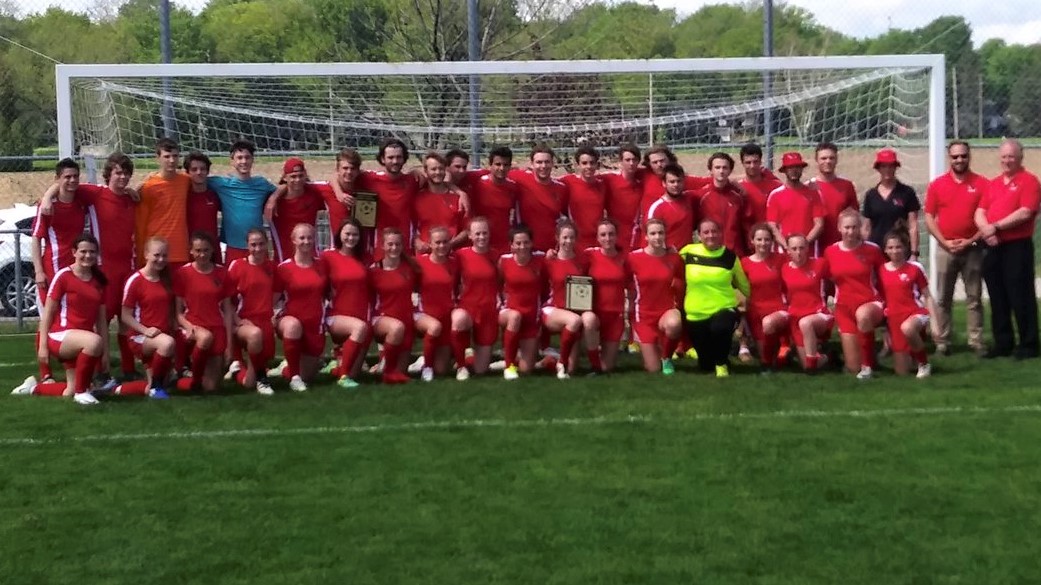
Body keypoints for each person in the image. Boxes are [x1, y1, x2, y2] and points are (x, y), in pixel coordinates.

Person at [11, 235, 108, 405]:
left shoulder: (99, 280)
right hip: (61, 337)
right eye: (83, 251)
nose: (88, 255)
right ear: (74, 252)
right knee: (94, 342)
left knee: (68, 391)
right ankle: (81, 392)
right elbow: (48, 312)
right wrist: (42, 347)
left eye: (92, 252)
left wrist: (105, 353)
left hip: (82, 341)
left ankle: (33, 388)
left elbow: (101, 321)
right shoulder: (64, 275)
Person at [975, 139, 1040, 360]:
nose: (1007, 160)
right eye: (1004, 156)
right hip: (992, 246)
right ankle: (1003, 343)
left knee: (1020, 295)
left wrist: (996, 227)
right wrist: (986, 230)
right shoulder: (993, 184)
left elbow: (1026, 212)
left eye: (1011, 156)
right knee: (997, 296)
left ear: (1020, 157)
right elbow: (980, 211)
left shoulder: (1029, 181)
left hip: (1017, 246)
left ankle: (1028, 344)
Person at [923, 140, 988, 356]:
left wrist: (971, 240)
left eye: (963, 156)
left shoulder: (982, 184)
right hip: (946, 247)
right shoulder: (937, 185)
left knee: (974, 297)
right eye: (955, 156)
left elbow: (987, 217)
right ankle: (943, 341)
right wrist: (943, 242)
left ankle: (976, 341)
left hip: (973, 248)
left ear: (969, 156)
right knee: (943, 297)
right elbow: (929, 217)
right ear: (948, 158)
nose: (959, 160)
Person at [31, 159, 88, 383]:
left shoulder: (81, 202)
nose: (72, 180)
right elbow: (36, 239)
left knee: (69, 320)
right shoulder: (47, 207)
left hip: (75, 270)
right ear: (58, 179)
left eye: (75, 176)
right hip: (52, 270)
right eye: (67, 177)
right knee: (47, 317)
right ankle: (45, 373)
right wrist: (38, 271)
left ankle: (72, 366)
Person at [678, 219, 750, 378]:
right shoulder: (688, 252)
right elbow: (669, 263)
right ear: (698, 235)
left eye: (714, 231)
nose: (710, 235)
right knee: (705, 365)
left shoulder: (730, 257)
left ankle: (722, 365)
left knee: (721, 328)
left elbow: (744, 285)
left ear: (720, 234)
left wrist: (752, 303)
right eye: (706, 232)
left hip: (723, 307)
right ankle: (715, 360)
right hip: (695, 312)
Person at [823, 210, 885, 379]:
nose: (850, 232)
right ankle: (853, 360)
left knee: (863, 315)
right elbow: (827, 278)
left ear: (860, 228)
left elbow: (884, 278)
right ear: (839, 228)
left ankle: (868, 367)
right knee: (852, 367)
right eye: (847, 227)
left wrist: (889, 304)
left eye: (854, 227)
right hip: (844, 307)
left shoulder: (873, 250)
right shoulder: (830, 251)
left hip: (870, 302)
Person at [173, 232, 232, 392]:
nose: (202, 254)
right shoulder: (182, 273)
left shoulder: (222, 273)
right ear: (191, 251)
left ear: (213, 250)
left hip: (216, 326)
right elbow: (177, 312)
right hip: (194, 327)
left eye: (206, 250)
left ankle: (184, 381)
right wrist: (188, 326)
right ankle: (194, 380)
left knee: (212, 387)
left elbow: (227, 311)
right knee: (205, 338)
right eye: (198, 250)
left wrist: (229, 344)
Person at [272, 223, 327, 391]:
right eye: (302, 238)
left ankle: (287, 370)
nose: (306, 241)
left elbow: (328, 293)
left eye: (310, 237)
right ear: (293, 240)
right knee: (293, 326)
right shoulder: (284, 268)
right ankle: (294, 378)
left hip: (314, 322)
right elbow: (272, 299)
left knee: (308, 376)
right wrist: (269, 318)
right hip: (290, 319)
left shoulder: (322, 265)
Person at [120, 237, 178, 398]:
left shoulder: (166, 279)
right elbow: (125, 316)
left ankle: (117, 389)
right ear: (146, 254)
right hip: (141, 337)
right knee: (167, 344)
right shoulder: (135, 280)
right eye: (157, 255)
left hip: (162, 336)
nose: (161, 259)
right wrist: (145, 330)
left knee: (163, 382)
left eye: (164, 256)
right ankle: (156, 388)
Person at [627, 218, 684, 374]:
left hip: (666, 311)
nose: (657, 237)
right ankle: (653, 350)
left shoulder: (674, 258)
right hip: (644, 315)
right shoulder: (633, 258)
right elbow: (624, 280)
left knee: (674, 324)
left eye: (660, 233)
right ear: (646, 236)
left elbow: (681, 281)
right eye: (653, 233)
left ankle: (667, 358)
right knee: (652, 368)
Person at [207, 140, 278, 263]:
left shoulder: (261, 183)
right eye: (239, 158)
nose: (244, 161)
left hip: (258, 246)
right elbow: (196, 178)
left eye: (247, 157)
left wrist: (273, 198)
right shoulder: (221, 184)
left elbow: (284, 187)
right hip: (233, 246)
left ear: (252, 160)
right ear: (232, 161)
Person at [224, 228, 277, 395]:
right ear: (247, 245)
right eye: (253, 244)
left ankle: (237, 372)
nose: (258, 248)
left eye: (261, 244)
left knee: (248, 383)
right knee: (255, 335)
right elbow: (227, 300)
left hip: (265, 322)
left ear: (266, 244)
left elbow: (276, 295)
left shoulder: (272, 267)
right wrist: (237, 321)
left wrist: (273, 314)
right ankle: (263, 380)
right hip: (244, 323)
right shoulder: (238, 266)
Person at [320, 218, 371, 389]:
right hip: (336, 315)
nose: (351, 238)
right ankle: (342, 376)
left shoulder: (364, 259)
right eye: (347, 234)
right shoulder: (328, 256)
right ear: (340, 234)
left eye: (355, 234)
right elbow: (317, 281)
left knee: (355, 372)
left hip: (360, 315)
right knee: (359, 328)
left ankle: (337, 367)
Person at [879, 229, 936, 377]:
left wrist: (934, 322)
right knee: (902, 372)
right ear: (885, 249)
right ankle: (913, 357)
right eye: (890, 247)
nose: (895, 251)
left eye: (898, 247)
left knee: (908, 328)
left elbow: (927, 296)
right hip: (894, 318)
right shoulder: (881, 270)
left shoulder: (915, 268)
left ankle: (924, 364)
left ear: (905, 248)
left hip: (914, 313)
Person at [541, 220, 590, 379]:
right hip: (553, 308)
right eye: (564, 237)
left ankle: (548, 361)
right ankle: (561, 362)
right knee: (574, 321)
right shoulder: (549, 260)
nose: (568, 241)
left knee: (573, 369)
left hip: (573, 310)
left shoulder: (582, 260)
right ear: (557, 238)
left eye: (571, 237)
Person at [368, 228, 416, 385]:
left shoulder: (410, 268)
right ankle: (386, 371)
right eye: (390, 244)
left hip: (406, 320)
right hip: (382, 319)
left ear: (402, 246)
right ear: (382, 245)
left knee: (402, 371)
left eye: (397, 244)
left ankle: (385, 365)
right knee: (396, 328)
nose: (394, 248)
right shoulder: (374, 270)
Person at [498, 225, 546, 380]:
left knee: (527, 370)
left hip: (531, 316)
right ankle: (509, 367)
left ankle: (548, 361)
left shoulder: (541, 259)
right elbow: (498, 283)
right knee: (515, 317)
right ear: (511, 245)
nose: (522, 246)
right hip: (509, 312)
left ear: (531, 243)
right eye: (518, 243)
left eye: (526, 242)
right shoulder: (504, 261)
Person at [453, 217, 499, 379]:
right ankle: (461, 366)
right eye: (477, 233)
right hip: (467, 307)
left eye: (484, 233)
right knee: (458, 320)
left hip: (488, 310)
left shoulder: (495, 255)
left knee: (481, 370)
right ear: (470, 236)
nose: (481, 237)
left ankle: (471, 356)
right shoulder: (460, 255)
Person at [782, 234, 835, 373]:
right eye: (794, 248)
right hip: (796, 316)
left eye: (801, 248)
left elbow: (838, 280)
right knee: (805, 363)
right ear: (788, 250)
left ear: (807, 249)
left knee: (806, 323)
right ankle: (828, 357)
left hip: (819, 314)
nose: (798, 252)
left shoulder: (820, 264)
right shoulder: (784, 269)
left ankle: (812, 368)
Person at [740, 224, 789, 373]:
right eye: (759, 239)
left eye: (767, 239)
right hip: (755, 312)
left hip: (779, 309)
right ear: (752, 241)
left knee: (777, 357)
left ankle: (780, 350)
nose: (763, 243)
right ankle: (772, 356)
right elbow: (741, 291)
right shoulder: (745, 263)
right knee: (767, 355)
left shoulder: (781, 259)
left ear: (772, 241)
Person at [583, 218, 630, 374]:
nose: (607, 238)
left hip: (615, 316)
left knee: (608, 367)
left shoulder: (624, 258)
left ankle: (598, 364)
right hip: (594, 314)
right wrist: (553, 253)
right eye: (603, 235)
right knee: (588, 321)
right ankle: (593, 365)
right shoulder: (589, 255)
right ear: (597, 237)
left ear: (616, 236)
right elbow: (567, 258)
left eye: (611, 234)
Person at [414, 226, 460, 381]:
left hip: (446, 316)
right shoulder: (419, 262)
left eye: (445, 242)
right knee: (434, 327)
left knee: (441, 370)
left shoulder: (455, 263)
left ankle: (425, 360)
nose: (442, 246)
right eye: (437, 242)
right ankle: (426, 367)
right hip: (424, 314)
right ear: (430, 244)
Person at [136, 139, 191, 266]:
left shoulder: (186, 181)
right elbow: (141, 223)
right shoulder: (148, 187)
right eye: (167, 156)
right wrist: (141, 255)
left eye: (175, 156)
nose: (171, 160)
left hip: (180, 251)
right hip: (156, 252)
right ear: (157, 158)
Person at [509, 145, 568, 252]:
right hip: (525, 249)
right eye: (539, 162)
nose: (543, 166)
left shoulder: (561, 188)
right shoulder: (519, 178)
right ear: (532, 164)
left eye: (547, 162)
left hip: (551, 249)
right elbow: (494, 174)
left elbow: (565, 215)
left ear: (552, 163)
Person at [266, 158, 325, 262]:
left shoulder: (314, 193)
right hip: (283, 259)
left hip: (311, 259)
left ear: (305, 174)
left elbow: (335, 182)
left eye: (300, 176)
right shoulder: (273, 200)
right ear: (285, 177)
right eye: (293, 176)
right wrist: (273, 197)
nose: (297, 180)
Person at [862, 148, 921, 250]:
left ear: (895, 167)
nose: (887, 170)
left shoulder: (907, 192)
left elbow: (913, 225)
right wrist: (864, 250)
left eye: (891, 166)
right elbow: (867, 228)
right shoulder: (871, 195)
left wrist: (914, 252)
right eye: (883, 166)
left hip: (900, 250)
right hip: (876, 249)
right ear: (878, 168)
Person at [767, 152, 824, 252]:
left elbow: (819, 224)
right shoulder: (775, 195)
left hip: (808, 250)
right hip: (783, 251)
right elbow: (772, 226)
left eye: (797, 167)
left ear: (802, 168)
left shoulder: (813, 193)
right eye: (790, 167)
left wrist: (803, 244)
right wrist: (787, 246)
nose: (794, 170)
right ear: (784, 170)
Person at [698, 152, 752, 255]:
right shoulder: (701, 196)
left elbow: (746, 226)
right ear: (711, 170)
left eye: (725, 168)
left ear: (730, 171)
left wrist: (749, 249)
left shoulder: (739, 196)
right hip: (710, 253)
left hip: (735, 253)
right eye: (717, 168)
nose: (721, 171)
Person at [412, 152, 468, 253]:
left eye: (441, 169)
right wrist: (417, 241)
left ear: (445, 170)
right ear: (425, 171)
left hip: (451, 256)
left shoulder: (458, 198)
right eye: (433, 169)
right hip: (425, 254)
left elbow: (467, 229)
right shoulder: (416, 197)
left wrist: (450, 244)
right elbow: (410, 225)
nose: (437, 172)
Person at [810, 142, 859, 252]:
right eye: (823, 158)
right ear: (816, 161)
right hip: (816, 247)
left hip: (841, 246)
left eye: (831, 158)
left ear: (836, 160)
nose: (828, 161)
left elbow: (854, 215)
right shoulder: (809, 187)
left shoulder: (847, 186)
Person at [472, 146, 520, 256]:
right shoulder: (478, 183)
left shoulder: (513, 187)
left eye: (506, 165)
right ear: (490, 165)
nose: (502, 168)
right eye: (498, 164)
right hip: (481, 241)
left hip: (504, 242)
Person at [561, 146, 607, 251]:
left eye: (592, 163)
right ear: (578, 165)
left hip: (598, 240)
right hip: (575, 240)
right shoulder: (567, 182)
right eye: (584, 163)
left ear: (597, 165)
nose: (589, 166)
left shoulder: (603, 184)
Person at [602, 144, 643, 251]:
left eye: (634, 160)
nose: (631, 163)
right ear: (621, 161)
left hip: (636, 236)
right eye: (627, 160)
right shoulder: (609, 180)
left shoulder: (642, 182)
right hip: (614, 236)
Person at [646, 163, 697, 250]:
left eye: (679, 181)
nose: (676, 185)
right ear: (664, 183)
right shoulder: (657, 208)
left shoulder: (689, 198)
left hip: (688, 254)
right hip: (667, 256)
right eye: (672, 182)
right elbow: (651, 237)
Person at [183, 151, 222, 262]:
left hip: (212, 250)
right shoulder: (183, 196)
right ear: (187, 172)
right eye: (194, 169)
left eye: (203, 169)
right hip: (191, 251)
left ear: (208, 171)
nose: (199, 172)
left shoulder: (215, 195)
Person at [737, 143, 781, 227]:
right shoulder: (738, 188)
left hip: (771, 235)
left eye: (755, 162)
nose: (752, 166)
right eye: (748, 162)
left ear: (761, 161)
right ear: (742, 163)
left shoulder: (775, 186)